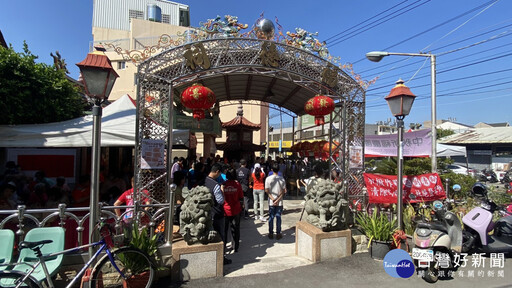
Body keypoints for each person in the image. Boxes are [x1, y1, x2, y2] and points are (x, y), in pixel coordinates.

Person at [204, 163, 231, 265]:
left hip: (206, 213)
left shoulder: (204, 181)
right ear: (217, 172)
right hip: (217, 213)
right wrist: (222, 192)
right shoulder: (215, 185)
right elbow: (220, 201)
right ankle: (221, 257)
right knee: (220, 235)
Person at [222, 168, 244, 253]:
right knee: (236, 228)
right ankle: (236, 247)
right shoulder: (237, 185)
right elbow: (241, 197)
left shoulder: (223, 185)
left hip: (225, 210)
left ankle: (223, 248)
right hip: (236, 209)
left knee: (224, 230)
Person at [265, 163, 287, 240]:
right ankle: (278, 233)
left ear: (271, 170)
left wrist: (273, 199)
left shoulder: (268, 179)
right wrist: (278, 199)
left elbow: (267, 191)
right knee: (278, 217)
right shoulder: (282, 179)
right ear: (279, 170)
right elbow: (283, 191)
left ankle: (271, 233)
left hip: (271, 201)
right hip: (279, 202)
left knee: (271, 217)